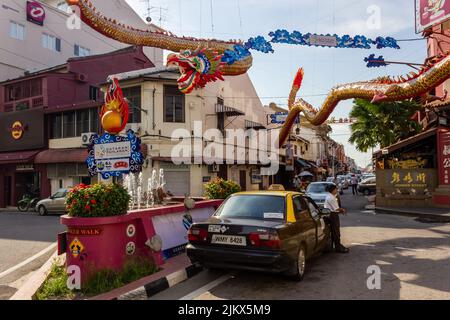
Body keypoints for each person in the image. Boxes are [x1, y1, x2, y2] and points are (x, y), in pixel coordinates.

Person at [324, 184, 350, 253]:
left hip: (331, 214)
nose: (337, 190)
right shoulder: (331, 198)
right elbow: (336, 208)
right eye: (336, 189)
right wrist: (343, 210)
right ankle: (338, 247)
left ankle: (335, 246)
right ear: (332, 190)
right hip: (333, 215)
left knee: (334, 231)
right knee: (336, 232)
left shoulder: (330, 196)